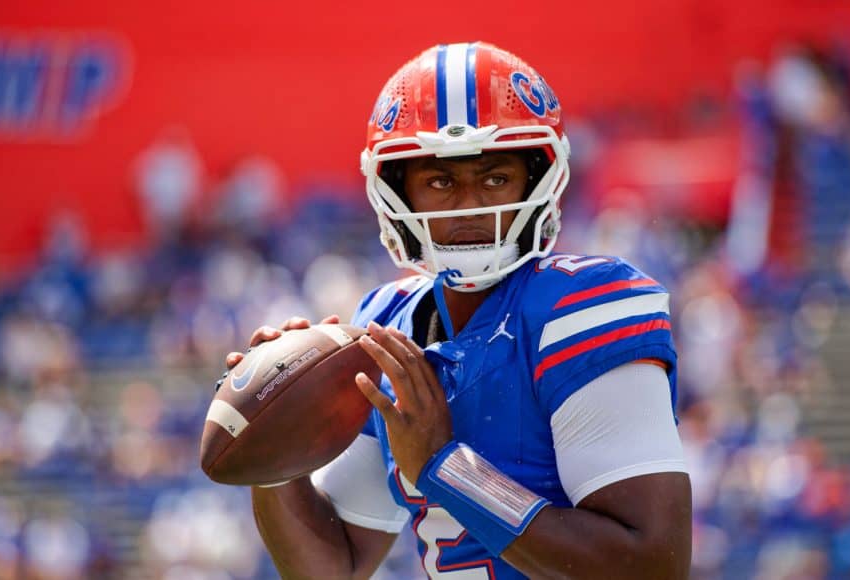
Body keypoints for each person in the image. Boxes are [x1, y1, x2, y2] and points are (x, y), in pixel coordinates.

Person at [225, 42, 692, 579]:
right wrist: (277, 449)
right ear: (396, 191)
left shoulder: (583, 306)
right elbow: (333, 568)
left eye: (495, 179)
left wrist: (444, 466)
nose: (470, 206)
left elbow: (654, 566)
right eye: (441, 182)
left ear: (538, 179)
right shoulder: (389, 325)